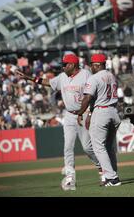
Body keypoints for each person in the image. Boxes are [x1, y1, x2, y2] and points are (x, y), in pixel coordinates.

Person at [16, 53, 101, 191]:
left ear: (72, 65)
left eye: (64, 64)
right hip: (69, 115)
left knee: (87, 147)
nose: (62, 67)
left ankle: (101, 167)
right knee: (68, 146)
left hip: (84, 114)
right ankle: (70, 177)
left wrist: (90, 112)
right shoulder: (62, 77)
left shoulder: (86, 74)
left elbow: (94, 95)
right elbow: (48, 82)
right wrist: (29, 78)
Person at [76, 53, 121, 187]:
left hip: (101, 111)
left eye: (92, 64)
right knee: (109, 148)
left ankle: (112, 178)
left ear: (97, 65)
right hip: (114, 112)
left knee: (98, 147)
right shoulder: (111, 75)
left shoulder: (94, 78)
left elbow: (87, 98)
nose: (91, 67)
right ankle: (113, 175)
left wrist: (80, 112)